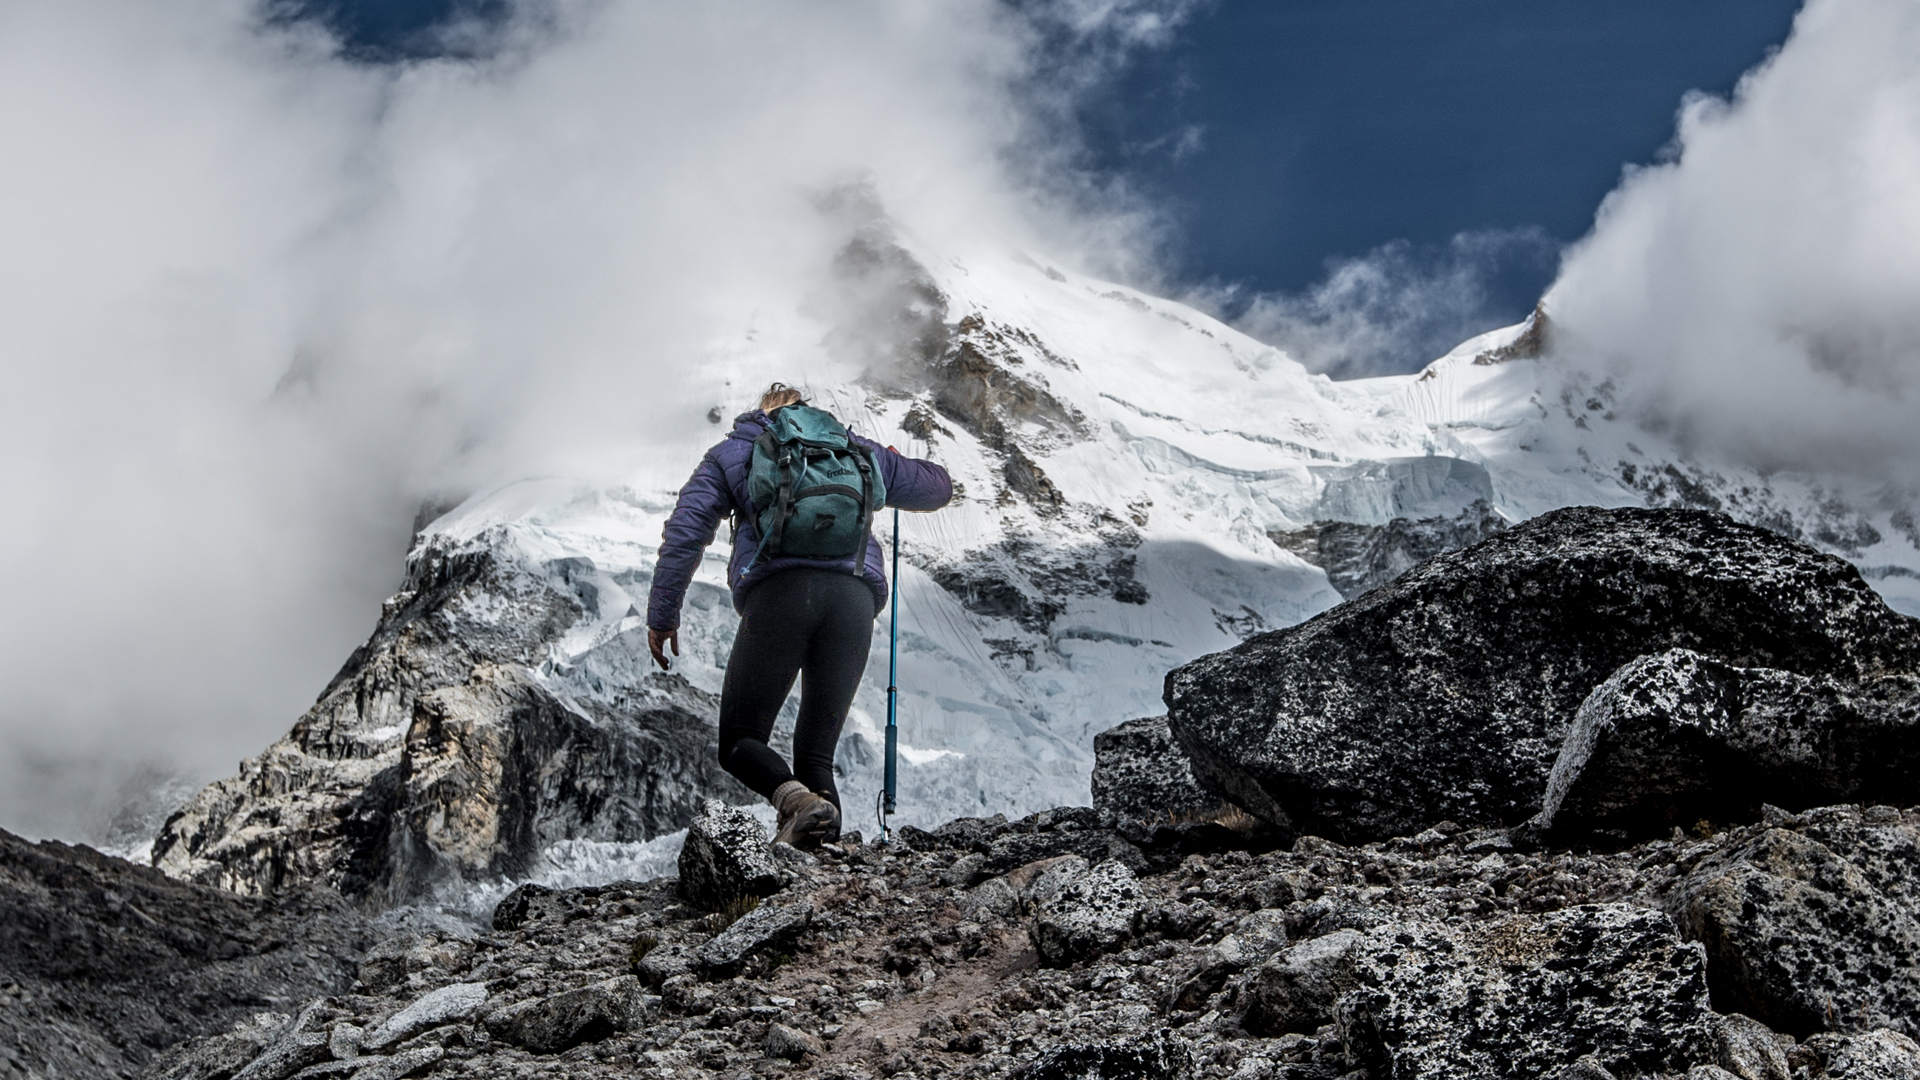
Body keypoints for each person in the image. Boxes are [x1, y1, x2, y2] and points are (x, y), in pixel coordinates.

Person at [646, 383, 953, 847]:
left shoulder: (735, 451)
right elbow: (938, 488)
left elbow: (687, 532)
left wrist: (663, 614)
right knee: (816, 757)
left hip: (780, 596)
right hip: (853, 602)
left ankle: (795, 803)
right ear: (809, 413)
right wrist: (889, 461)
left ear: (760, 413)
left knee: (739, 741)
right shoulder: (852, 449)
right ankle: (821, 860)